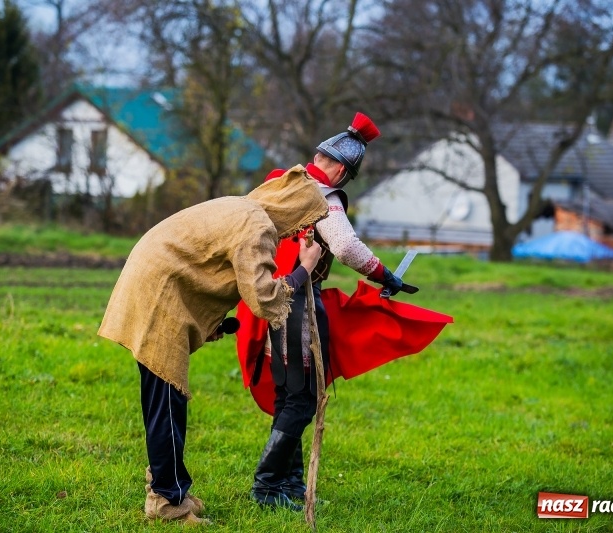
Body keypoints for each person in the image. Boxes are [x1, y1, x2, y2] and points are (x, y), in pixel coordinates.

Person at [97, 166, 328, 525]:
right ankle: (167, 503)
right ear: (293, 208)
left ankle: (171, 487)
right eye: (303, 221)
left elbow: (204, 264)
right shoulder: (258, 225)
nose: (297, 231)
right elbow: (265, 298)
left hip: (153, 285)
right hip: (159, 297)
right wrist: (304, 269)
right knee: (167, 402)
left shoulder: (241, 207)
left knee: (166, 401)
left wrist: (212, 323)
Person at [240, 113, 408, 511]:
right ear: (340, 170)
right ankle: (266, 486)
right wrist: (385, 275)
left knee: (289, 395)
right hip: (298, 300)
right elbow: (346, 247)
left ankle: (290, 484)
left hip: (269, 294)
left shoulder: (280, 184)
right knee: (301, 398)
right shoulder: (323, 198)